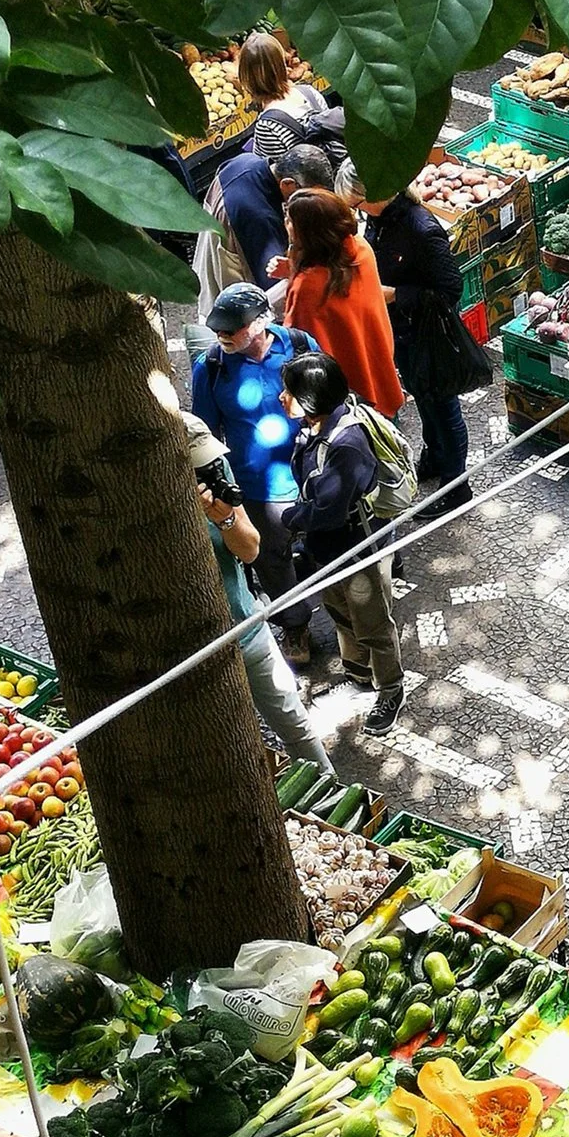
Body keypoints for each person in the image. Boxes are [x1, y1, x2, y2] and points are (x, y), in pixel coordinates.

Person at [181, 413, 331, 772]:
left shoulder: (214, 471)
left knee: (295, 725)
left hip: (245, 627)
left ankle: (331, 788)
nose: (211, 469)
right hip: (194, 653)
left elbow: (249, 550)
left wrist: (224, 518)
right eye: (197, 465)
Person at [339, 163, 488, 513]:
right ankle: (434, 457)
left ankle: (455, 486)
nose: (356, 211)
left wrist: (396, 295)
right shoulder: (381, 219)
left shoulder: (421, 228)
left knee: (443, 407)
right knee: (424, 399)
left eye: (358, 204)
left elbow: (450, 289)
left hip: (428, 333)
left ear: (377, 195)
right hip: (402, 331)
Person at [191, 284, 323, 666]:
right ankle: (294, 624)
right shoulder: (212, 368)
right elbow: (206, 434)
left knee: (329, 543)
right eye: (219, 329)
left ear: (263, 321)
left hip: (311, 473)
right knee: (271, 560)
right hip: (258, 489)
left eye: (233, 328)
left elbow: (323, 393)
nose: (223, 336)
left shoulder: (298, 344)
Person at [279, 351, 405, 736]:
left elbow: (329, 510)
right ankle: (359, 674)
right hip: (329, 548)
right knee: (339, 611)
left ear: (313, 399)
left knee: (372, 623)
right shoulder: (315, 429)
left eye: (290, 392)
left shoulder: (346, 444)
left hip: (356, 549)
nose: (282, 398)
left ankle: (390, 688)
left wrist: (290, 519)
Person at [270, 188, 406, 418]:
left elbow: (297, 342)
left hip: (346, 397)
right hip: (378, 371)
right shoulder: (361, 249)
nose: (286, 224)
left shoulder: (308, 286)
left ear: (309, 232)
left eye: (290, 220)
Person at [199, 143, 332, 305]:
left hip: (205, 275)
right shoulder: (259, 217)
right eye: (310, 195)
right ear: (288, 184)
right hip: (233, 307)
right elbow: (274, 287)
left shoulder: (244, 161)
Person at [241, 32, 330, 164]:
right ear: (282, 64)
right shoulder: (310, 93)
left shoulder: (268, 126)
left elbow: (280, 178)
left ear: (247, 77)